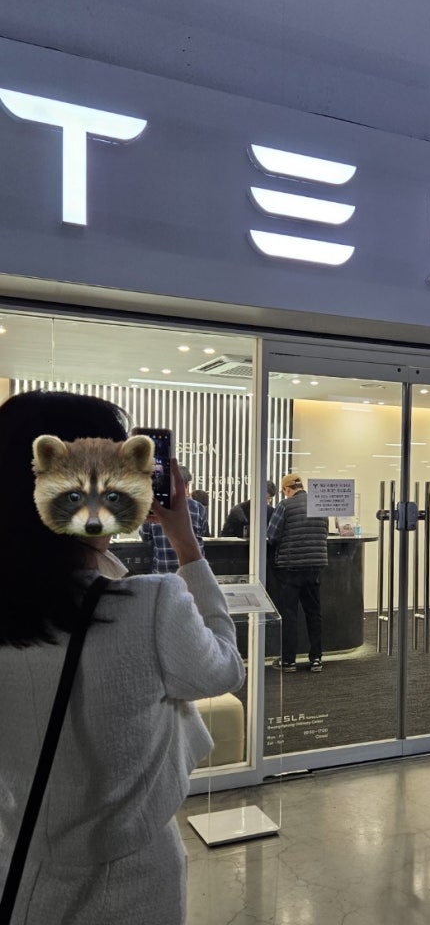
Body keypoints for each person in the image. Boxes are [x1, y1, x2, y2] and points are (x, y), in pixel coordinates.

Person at [0, 389, 245, 925]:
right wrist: (188, 546)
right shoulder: (149, 606)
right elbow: (226, 667)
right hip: (129, 879)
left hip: (18, 864)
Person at [266, 473, 328, 673]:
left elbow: (271, 535)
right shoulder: (319, 504)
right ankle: (316, 658)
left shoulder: (285, 506)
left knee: (289, 614)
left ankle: (288, 661)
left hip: (290, 567)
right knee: (314, 613)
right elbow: (325, 532)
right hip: (315, 567)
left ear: (286, 489)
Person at [140, 464, 208, 571]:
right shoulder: (198, 508)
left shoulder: (155, 508)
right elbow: (203, 532)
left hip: (164, 574)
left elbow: (145, 536)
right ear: (186, 485)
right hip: (193, 572)